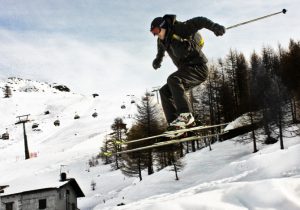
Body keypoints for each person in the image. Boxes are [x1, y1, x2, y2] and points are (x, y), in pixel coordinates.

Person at [150, 14, 225, 129]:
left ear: (163, 26)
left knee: (173, 79)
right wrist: (157, 60)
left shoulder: (180, 29)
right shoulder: (161, 41)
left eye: (156, 30)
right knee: (164, 92)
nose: (156, 34)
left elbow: (200, 21)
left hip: (198, 67)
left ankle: (186, 117)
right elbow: (160, 52)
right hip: (186, 70)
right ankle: (176, 125)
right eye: (153, 32)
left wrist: (214, 26)